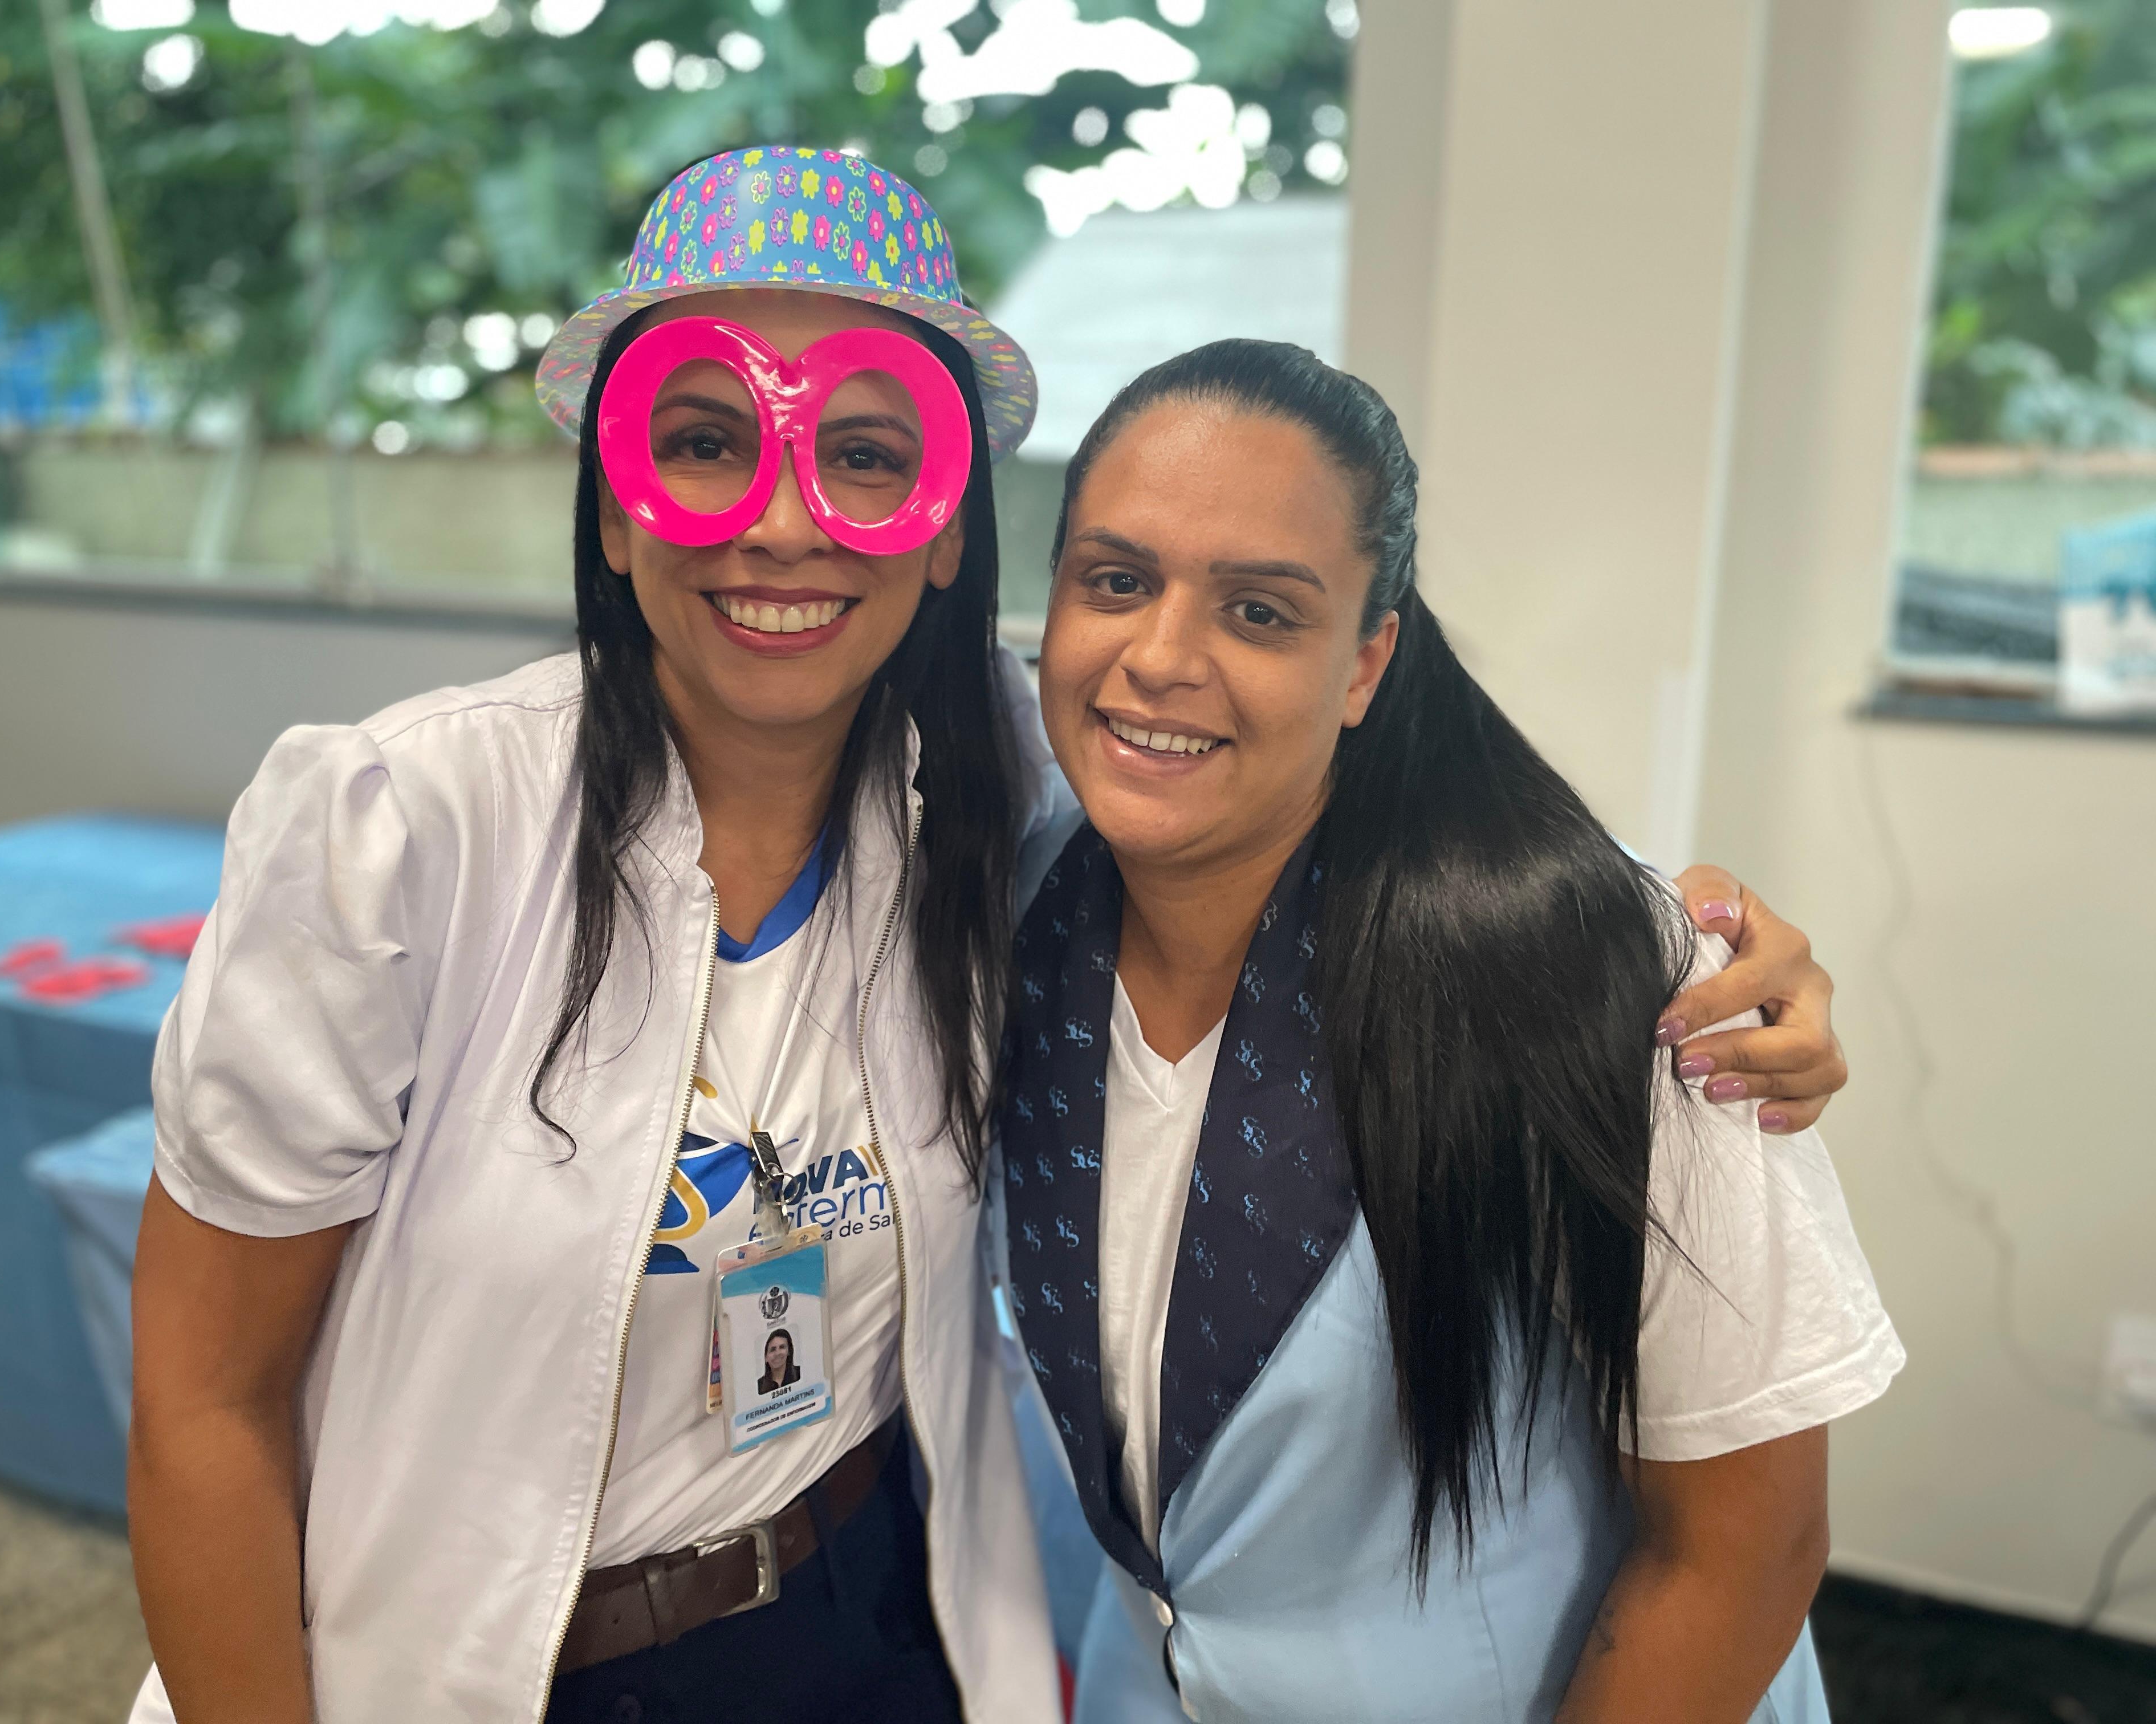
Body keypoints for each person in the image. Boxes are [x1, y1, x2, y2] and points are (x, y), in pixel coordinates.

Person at [122, 149, 1850, 1724]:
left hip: (865, 1631)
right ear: (617, 499)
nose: (782, 520)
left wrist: (1667, 937)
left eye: (866, 454)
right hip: (470, 1670)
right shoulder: (400, 833)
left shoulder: (995, 804)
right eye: (706, 440)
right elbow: (206, 1404)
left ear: (949, 528)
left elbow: (1319, 797)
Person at [996, 340, 1905, 1722]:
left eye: (1259, 612)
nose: (1162, 657)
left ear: (1367, 661)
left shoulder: (1592, 972)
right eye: (1116, 582)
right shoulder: (1021, 906)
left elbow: (1744, 1548)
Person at [760, 1329, 803, 1396]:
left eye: (782, 1347)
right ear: (766, 1357)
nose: (778, 1353)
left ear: (789, 1352)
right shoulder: (759, 1385)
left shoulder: (801, 1373)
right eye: (773, 1350)